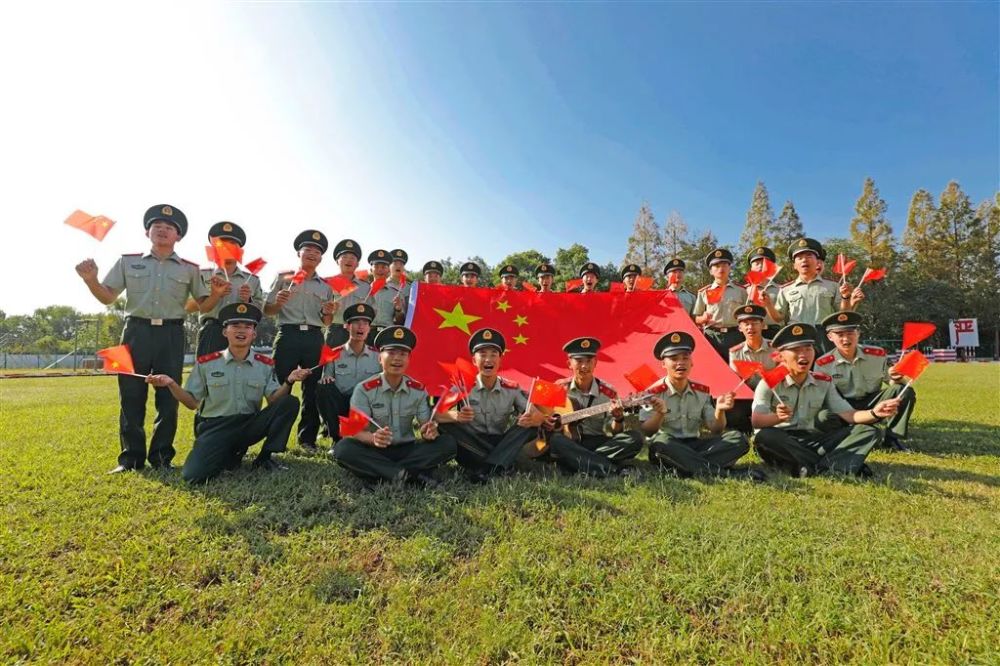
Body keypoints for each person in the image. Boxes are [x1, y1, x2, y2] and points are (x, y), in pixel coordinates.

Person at [75, 204, 208, 473]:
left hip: (171, 334)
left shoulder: (190, 269)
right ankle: (131, 459)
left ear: (178, 236)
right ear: (147, 232)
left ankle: (161, 458)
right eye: (157, 226)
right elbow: (107, 297)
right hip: (135, 333)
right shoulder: (127, 261)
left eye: (169, 227)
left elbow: (204, 304)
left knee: (168, 397)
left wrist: (215, 293)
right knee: (131, 395)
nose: (162, 230)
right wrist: (91, 280)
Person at [147, 303, 308, 482]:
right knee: (193, 476)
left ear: (254, 334)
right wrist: (171, 384)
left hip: (248, 424)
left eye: (247, 326)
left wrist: (289, 381)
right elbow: (192, 403)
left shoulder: (264, 364)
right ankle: (229, 453)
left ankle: (264, 458)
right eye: (235, 326)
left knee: (289, 402)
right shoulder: (206, 364)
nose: (241, 330)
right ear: (225, 332)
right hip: (215, 427)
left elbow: (273, 400)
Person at [751, 323, 901, 478]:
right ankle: (836, 465)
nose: (803, 355)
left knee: (868, 431)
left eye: (808, 349)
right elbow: (756, 421)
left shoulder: (822, 381)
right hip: (784, 440)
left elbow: (849, 414)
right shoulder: (769, 383)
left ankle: (811, 466)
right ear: (781, 356)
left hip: (813, 438)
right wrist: (777, 417)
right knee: (765, 437)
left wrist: (874, 413)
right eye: (795, 350)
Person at [331, 326, 457, 486]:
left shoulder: (418, 390)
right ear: (379, 358)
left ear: (409, 359)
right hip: (375, 449)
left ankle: (385, 474)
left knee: (448, 444)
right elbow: (356, 431)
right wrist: (373, 438)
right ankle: (410, 476)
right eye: (391, 353)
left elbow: (425, 424)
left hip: (407, 450)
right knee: (343, 449)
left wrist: (429, 431)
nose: (397, 359)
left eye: (403, 354)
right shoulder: (364, 389)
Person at [640, 331, 761, 480]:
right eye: (674, 359)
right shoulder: (653, 393)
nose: (680, 363)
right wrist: (660, 414)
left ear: (691, 362)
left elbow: (716, 429)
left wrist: (720, 410)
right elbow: (647, 431)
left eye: (685, 358)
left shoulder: (701, 391)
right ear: (664, 364)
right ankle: (726, 474)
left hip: (695, 445)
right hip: (669, 446)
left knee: (737, 439)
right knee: (661, 443)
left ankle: (685, 465)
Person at [436, 328, 547, 481]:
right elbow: (435, 414)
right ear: (474, 360)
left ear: (500, 359)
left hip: (500, 442)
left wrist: (532, 419)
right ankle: (499, 464)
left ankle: (487, 469)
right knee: (444, 425)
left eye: (494, 354)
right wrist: (456, 416)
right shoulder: (462, 386)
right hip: (471, 445)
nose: (488, 360)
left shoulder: (511, 388)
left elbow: (539, 417)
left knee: (528, 426)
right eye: (482, 354)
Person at [263, 230, 336, 452]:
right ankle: (275, 441)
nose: (312, 254)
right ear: (299, 253)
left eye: (317, 252)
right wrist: (278, 303)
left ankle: (307, 440)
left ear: (321, 258)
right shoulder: (284, 278)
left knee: (312, 390)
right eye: (308, 249)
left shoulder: (325, 286)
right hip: (288, 335)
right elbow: (267, 310)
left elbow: (327, 321)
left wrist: (328, 312)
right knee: (280, 386)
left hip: (314, 337)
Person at [815, 311, 916, 451]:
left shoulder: (877, 354)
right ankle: (847, 435)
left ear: (858, 333)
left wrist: (896, 377)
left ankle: (892, 438)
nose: (846, 339)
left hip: (872, 402)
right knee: (823, 416)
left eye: (850, 333)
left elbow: (894, 384)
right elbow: (825, 399)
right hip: (842, 407)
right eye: (840, 334)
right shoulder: (823, 364)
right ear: (830, 337)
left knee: (903, 391)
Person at [543, 337, 643, 477]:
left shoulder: (608, 392)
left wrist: (618, 418)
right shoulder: (558, 387)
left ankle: (575, 463)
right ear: (569, 364)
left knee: (634, 438)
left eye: (589, 361)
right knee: (556, 441)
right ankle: (614, 470)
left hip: (596, 441)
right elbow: (539, 412)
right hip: (568, 441)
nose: (584, 366)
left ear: (595, 363)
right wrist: (546, 421)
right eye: (579, 361)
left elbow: (615, 432)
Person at [765, 238, 863, 351]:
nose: (804, 260)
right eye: (799, 258)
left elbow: (842, 315)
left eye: (809, 256)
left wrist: (846, 297)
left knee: (825, 362)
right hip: (797, 334)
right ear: (794, 265)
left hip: (823, 335)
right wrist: (768, 304)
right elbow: (778, 318)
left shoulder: (833, 286)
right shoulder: (786, 289)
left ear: (817, 262)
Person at [189, 221, 263, 356]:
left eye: (232, 244)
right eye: (222, 244)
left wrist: (248, 300)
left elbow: (259, 313)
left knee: (241, 369)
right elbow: (195, 307)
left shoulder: (252, 280)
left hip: (241, 332)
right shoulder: (203, 275)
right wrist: (215, 295)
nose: (227, 248)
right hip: (212, 331)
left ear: (239, 250)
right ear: (214, 248)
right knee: (207, 369)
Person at [316, 303, 382, 444]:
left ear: (369, 328)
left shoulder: (378, 357)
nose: (361, 327)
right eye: (356, 322)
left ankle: (373, 434)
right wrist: (326, 379)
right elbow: (327, 378)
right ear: (346, 326)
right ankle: (337, 439)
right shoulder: (334, 354)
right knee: (323, 388)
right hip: (342, 405)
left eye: (365, 323)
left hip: (366, 406)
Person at [726, 304, 777, 434]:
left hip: (772, 394)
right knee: (733, 414)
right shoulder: (735, 352)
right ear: (740, 328)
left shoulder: (775, 348)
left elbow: (783, 376)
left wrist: (767, 375)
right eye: (746, 324)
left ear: (763, 325)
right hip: (748, 394)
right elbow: (736, 381)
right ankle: (747, 431)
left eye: (755, 323)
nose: (750, 327)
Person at [692, 248, 747, 359]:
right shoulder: (704, 292)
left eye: (724, 265)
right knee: (713, 368)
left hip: (735, 336)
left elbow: (747, 315)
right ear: (711, 271)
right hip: (712, 337)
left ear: (729, 268)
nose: (721, 268)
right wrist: (703, 318)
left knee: (735, 368)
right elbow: (696, 318)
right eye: (716, 266)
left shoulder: (741, 291)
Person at [327, 239, 370, 327]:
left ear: (357, 264)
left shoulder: (365, 287)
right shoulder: (328, 283)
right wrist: (329, 310)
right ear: (337, 261)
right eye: (344, 257)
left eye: (352, 258)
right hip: (335, 328)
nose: (348, 260)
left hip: (358, 329)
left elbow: (371, 311)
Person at [744, 246, 782, 339]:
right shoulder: (745, 290)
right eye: (757, 263)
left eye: (765, 263)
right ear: (751, 268)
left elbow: (783, 315)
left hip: (774, 333)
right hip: (751, 333)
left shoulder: (781, 290)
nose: (761, 266)